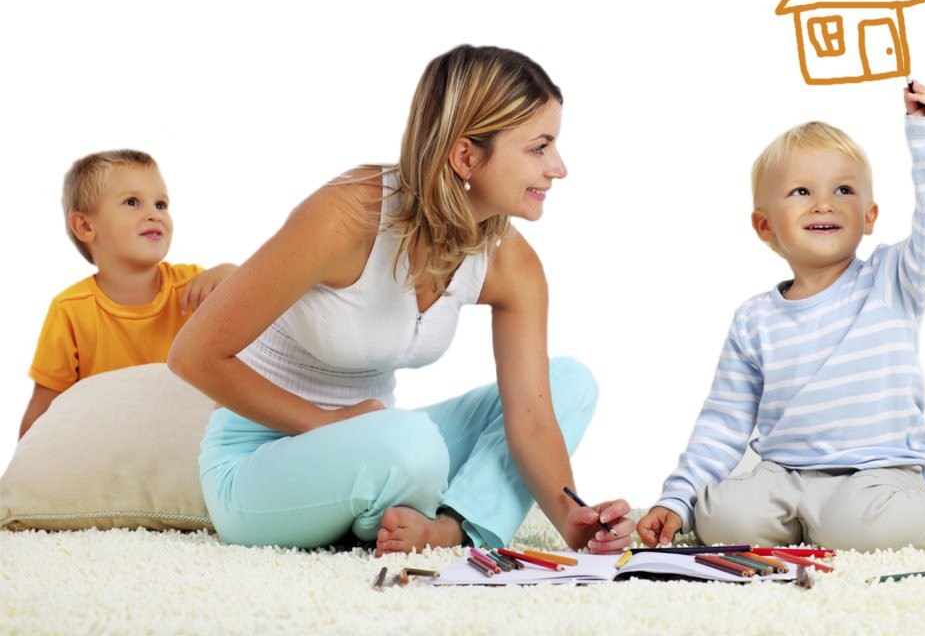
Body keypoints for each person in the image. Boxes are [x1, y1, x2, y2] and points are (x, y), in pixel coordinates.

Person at [168, 45, 634, 555]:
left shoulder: (510, 263)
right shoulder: (347, 217)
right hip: (260, 463)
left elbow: (532, 421)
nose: (559, 168)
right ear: (465, 156)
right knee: (413, 445)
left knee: (570, 382)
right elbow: (193, 356)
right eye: (539, 148)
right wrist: (326, 425)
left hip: (377, 449)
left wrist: (572, 517)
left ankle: (453, 526)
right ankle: (415, 505)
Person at [638, 81, 925, 551]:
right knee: (721, 518)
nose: (824, 203)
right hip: (784, 474)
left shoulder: (891, 281)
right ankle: (807, 524)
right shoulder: (754, 318)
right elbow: (723, 422)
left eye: (843, 189)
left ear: (869, 216)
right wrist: (677, 499)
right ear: (764, 225)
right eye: (801, 191)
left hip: (878, 471)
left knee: (861, 527)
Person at [19, 149, 236, 437]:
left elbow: (261, 327)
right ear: (85, 226)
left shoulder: (193, 285)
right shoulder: (71, 310)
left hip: (184, 435)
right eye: (132, 202)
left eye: (161, 204)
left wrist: (231, 274)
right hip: (109, 442)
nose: (154, 214)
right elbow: (43, 409)